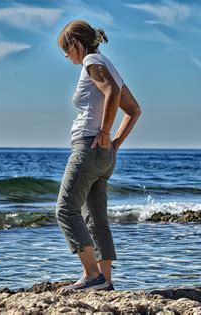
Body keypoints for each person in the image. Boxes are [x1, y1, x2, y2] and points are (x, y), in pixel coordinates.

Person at [55, 20, 141, 291]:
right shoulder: (107, 63)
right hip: (103, 154)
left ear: (76, 44)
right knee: (95, 217)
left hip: (88, 147)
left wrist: (105, 132)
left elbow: (112, 93)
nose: (65, 55)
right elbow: (134, 110)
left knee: (66, 209)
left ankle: (92, 275)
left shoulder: (91, 61)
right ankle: (105, 281)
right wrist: (114, 143)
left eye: (65, 49)